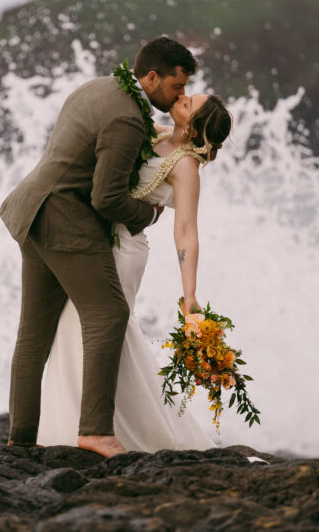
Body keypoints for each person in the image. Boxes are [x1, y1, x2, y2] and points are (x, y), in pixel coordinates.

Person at [0, 36, 195, 457]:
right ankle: (95, 431)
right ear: (153, 77)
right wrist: (150, 216)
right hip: (64, 219)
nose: (181, 94)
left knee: (35, 331)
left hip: (31, 207)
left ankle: (21, 438)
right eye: (177, 87)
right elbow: (106, 198)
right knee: (109, 312)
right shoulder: (127, 118)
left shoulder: (99, 87)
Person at [37, 92, 233, 451]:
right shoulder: (156, 133)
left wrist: (190, 296)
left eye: (189, 104)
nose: (182, 97)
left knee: (94, 328)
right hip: (96, 242)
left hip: (125, 250)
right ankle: (76, 427)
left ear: (191, 130)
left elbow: (186, 230)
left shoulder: (185, 166)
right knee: (85, 328)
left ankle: (101, 427)